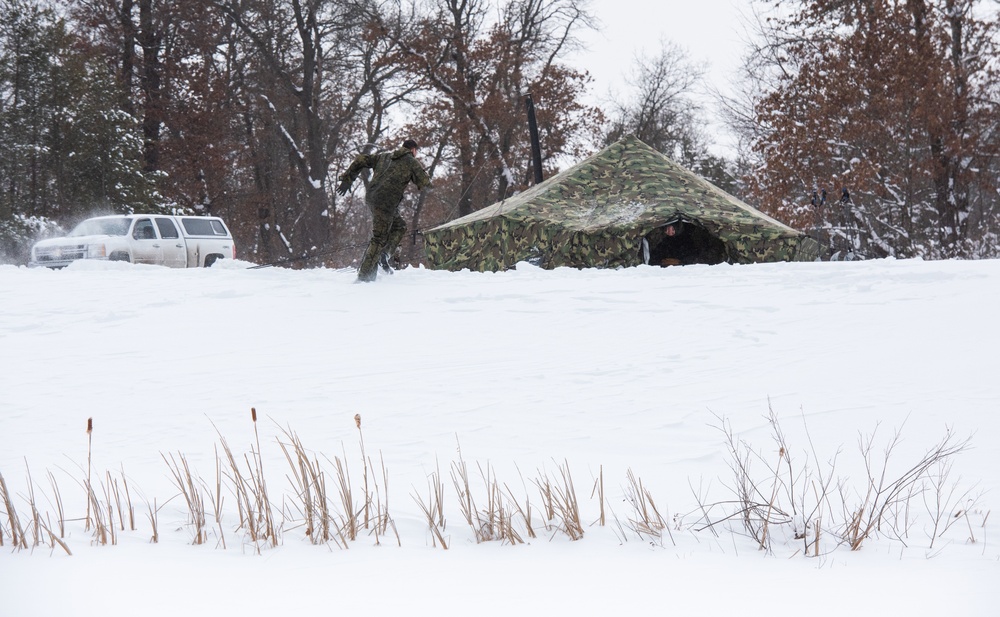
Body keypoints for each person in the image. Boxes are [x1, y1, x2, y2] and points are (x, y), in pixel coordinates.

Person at [337, 139, 431, 282]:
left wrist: (348, 178)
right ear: (413, 150)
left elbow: (361, 159)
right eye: (416, 151)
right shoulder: (411, 162)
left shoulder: (384, 156)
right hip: (386, 203)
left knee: (399, 226)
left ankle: (384, 256)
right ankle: (365, 277)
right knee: (379, 238)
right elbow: (424, 182)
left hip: (373, 198)